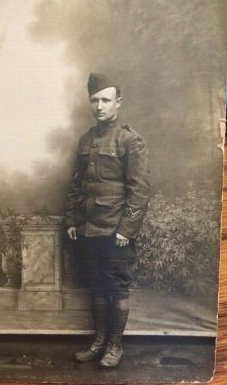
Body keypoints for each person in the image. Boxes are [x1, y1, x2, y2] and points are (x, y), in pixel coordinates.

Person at [65, 72, 150, 368]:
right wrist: (73, 220)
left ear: (118, 103)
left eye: (105, 99)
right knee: (96, 285)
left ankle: (115, 344)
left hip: (116, 231)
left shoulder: (130, 140)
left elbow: (139, 190)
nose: (99, 106)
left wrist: (127, 229)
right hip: (89, 228)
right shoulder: (86, 139)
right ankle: (99, 341)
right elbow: (77, 183)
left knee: (117, 286)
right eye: (94, 100)